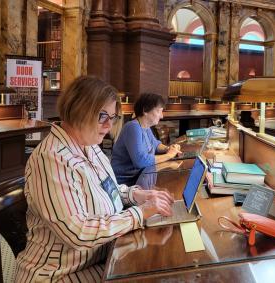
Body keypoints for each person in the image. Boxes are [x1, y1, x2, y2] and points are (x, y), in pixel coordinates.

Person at [15, 76, 174, 282]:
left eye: (113, 117)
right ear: (77, 109)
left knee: (157, 264)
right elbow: (78, 232)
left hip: (99, 256)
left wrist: (138, 194)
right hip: (58, 273)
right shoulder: (52, 159)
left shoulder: (90, 146)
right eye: (102, 116)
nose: (109, 125)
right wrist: (140, 214)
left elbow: (110, 189)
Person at [111, 93, 182, 185]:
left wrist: (168, 149)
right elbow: (140, 161)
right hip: (125, 184)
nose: (162, 116)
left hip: (139, 177)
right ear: (145, 110)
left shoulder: (145, 127)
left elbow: (155, 144)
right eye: (159, 111)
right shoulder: (133, 127)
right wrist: (169, 155)